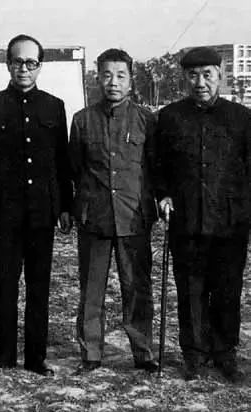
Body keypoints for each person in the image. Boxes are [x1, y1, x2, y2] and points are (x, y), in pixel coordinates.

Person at [0, 34, 73, 376]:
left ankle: (36, 358)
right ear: (8, 64)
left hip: (41, 214)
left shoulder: (54, 106)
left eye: (31, 62)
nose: (24, 69)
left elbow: (61, 162)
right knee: (4, 286)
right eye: (18, 62)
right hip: (3, 216)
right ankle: (4, 356)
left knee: (39, 288)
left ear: (40, 66)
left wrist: (65, 207)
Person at [156, 46, 250, 382]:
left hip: (230, 223)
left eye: (207, 75)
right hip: (186, 221)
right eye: (193, 75)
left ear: (220, 76)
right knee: (190, 291)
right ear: (184, 78)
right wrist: (163, 195)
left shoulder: (242, 118)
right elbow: (158, 165)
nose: (200, 82)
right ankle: (194, 355)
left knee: (227, 290)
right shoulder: (169, 117)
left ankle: (225, 353)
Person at [69, 49, 158, 374]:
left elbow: (154, 169)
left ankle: (143, 352)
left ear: (131, 81)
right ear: (98, 78)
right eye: (106, 75)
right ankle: (91, 353)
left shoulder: (147, 120)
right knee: (91, 291)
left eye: (121, 75)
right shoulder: (82, 120)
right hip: (95, 218)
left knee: (136, 289)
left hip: (133, 217)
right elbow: (74, 169)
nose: (113, 82)